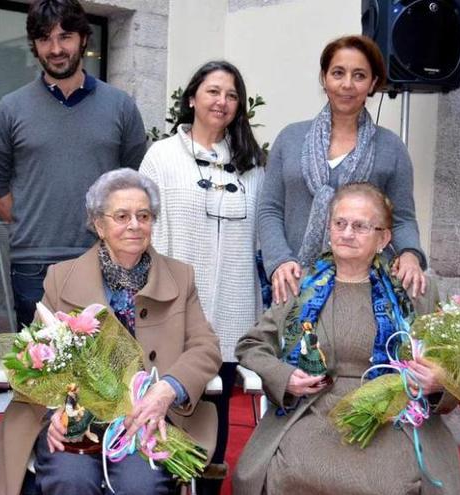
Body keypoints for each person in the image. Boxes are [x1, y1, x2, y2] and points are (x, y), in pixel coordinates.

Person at [0, 169, 221, 495]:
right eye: (122, 216)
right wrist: (57, 413)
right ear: (99, 225)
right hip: (75, 420)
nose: (134, 225)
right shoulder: (61, 277)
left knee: (141, 484)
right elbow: (36, 360)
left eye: (144, 215)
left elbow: (205, 346)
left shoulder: (179, 277)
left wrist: (168, 389)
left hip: (146, 420)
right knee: (70, 479)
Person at [233, 182, 460, 495]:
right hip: (312, 409)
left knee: (389, 484)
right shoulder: (302, 285)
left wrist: (438, 382)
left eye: (360, 226)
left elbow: (458, 366)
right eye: (339, 223)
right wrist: (285, 378)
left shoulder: (412, 290)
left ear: (384, 237)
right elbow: (251, 345)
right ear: (328, 230)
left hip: (392, 415)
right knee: (292, 472)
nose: (347, 233)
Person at [0, 0, 147, 330]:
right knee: (38, 366)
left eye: (66, 37)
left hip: (107, 258)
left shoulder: (121, 107)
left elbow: (136, 184)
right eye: (45, 39)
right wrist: (34, 219)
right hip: (33, 263)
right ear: (34, 45)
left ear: (84, 39)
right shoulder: (10, 109)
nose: (56, 48)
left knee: (106, 367)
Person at [139, 60, 266, 474]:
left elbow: (264, 234)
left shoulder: (252, 165)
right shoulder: (161, 156)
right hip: (173, 308)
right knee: (166, 402)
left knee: (213, 410)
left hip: (230, 307)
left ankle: (206, 481)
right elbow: (141, 227)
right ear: (191, 97)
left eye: (231, 95)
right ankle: (158, 480)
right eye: (213, 91)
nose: (222, 101)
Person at [259, 34, 427, 306]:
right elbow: (269, 209)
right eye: (338, 73)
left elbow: (403, 218)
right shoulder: (290, 138)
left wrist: (410, 254)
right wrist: (280, 261)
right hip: (294, 283)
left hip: (363, 289)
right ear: (324, 78)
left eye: (359, 75)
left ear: (373, 83)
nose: (347, 84)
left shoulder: (391, 147)